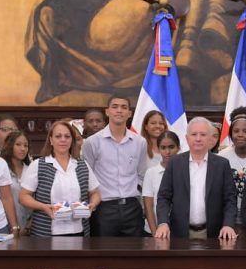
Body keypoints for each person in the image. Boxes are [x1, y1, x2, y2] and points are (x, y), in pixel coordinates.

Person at [155, 117, 237, 240]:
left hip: (214, 234)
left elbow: (230, 199)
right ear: (187, 139)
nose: (198, 138)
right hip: (180, 233)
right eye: (194, 134)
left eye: (203, 134)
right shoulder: (175, 163)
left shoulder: (222, 164)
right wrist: (163, 223)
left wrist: (228, 225)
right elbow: (163, 197)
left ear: (210, 139)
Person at [20, 120, 100, 237]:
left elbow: (95, 193)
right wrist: (43, 206)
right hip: (46, 233)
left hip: (79, 231)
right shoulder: (38, 165)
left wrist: (93, 204)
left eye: (67, 136)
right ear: (51, 140)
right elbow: (23, 196)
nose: (63, 140)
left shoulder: (82, 165)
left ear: (71, 140)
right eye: (58, 136)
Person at [81, 95, 148, 236]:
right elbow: (87, 176)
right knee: (104, 255)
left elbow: (141, 174)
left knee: (134, 253)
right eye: (115, 106)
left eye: (124, 107)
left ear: (129, 114)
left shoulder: (140, 142)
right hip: (104, 209)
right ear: (107, 112)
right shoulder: (92, 142)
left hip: (132, 208)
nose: (119, 111)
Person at [217, 107, 246, 230]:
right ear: (230, 134)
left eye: (245, 131)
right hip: (227, 217)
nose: (240, 135)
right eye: (236, 131)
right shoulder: (222, 156)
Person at [142, 131, 181, 235]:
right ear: (159, 149)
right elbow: (148, 205)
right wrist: (155, 232)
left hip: (180, 232)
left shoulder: (185, 171)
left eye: (171, 147)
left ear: (179, 148)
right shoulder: (151, 172)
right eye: (163, 148)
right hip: (154, 231)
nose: (167, 151)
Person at [0, 130, 33, 233]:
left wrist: (28, 225)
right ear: (9, 146)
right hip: (4, 226)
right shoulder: (1, 169)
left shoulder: (32, 169)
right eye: (18, 144)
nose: (22, 149)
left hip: (29, 228)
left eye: (25, 145)